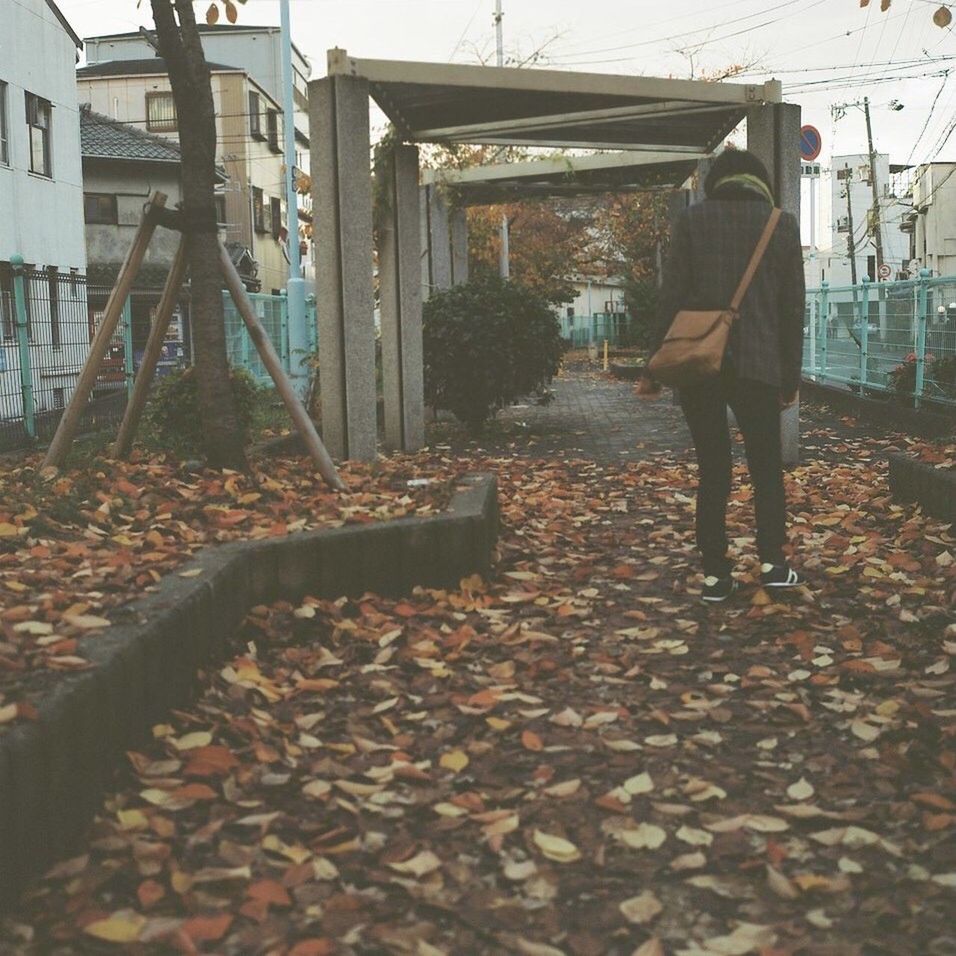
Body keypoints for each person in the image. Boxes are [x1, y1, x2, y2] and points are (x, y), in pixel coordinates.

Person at [638, 148, 806, 603]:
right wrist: (791, 377)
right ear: (759, 182)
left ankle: (715, 576)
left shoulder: (693, 221)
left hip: (698, 364)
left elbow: (669, 296)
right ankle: (773, 566)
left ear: (718, 182)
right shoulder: (780, 224)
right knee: (766, 468)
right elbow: (793, 308)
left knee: (713, 469)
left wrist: (653, 364)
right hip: (759, 365)